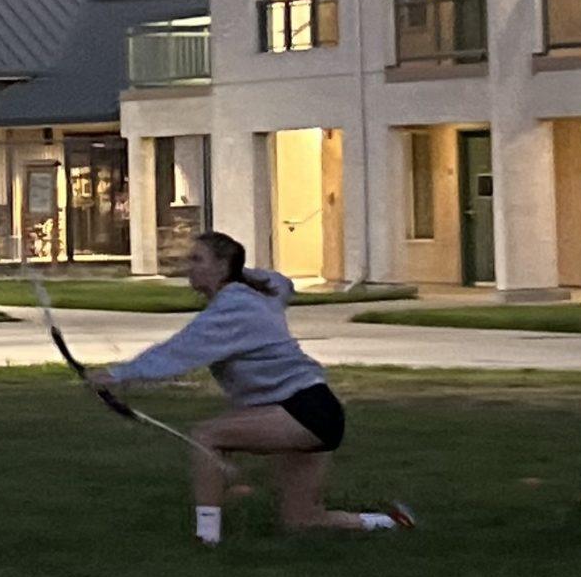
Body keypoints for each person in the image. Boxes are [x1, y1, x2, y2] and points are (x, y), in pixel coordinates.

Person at [92, 229, 413, 545]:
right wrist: (239, 270)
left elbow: (178, 351)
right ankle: (389, 523)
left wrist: (117, 375)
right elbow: (281, 282)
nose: (189, 266)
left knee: (208, 436)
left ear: (221, 266)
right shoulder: (260, 291)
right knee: (302, 522)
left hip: (302, 410)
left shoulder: (232, 309)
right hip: (319, 410)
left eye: (197, 259)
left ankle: (206, 539)